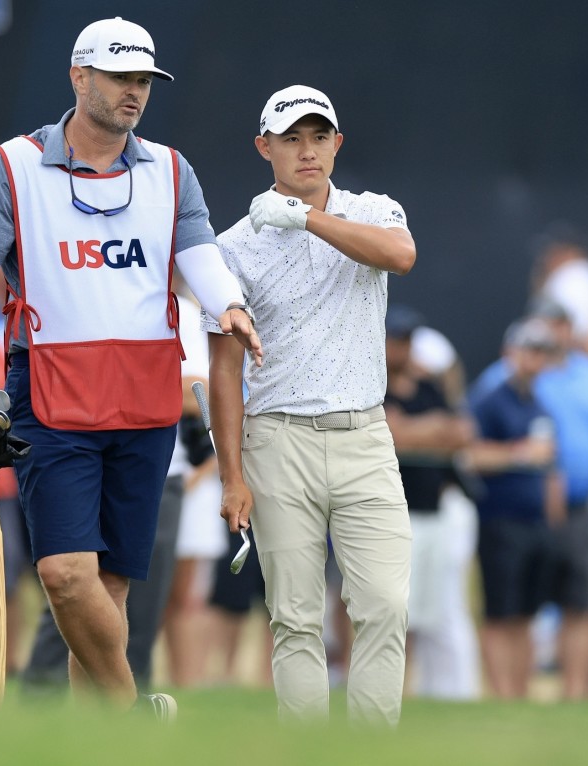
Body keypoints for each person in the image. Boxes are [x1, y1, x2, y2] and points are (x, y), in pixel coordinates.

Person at [0, 17, 261, 717]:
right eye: (119, 76)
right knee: (62, 573)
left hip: (146, 396)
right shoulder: (15, 165)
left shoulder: (172, 169)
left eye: (143, 79)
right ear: (79, 76)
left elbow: (200, 256)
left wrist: (228, 304)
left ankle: (104, 742)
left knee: (110, 584)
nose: (134, 92)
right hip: (49, 392)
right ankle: (135, 712)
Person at [207, 84, 415, 724]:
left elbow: (400, 256)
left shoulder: (372, 209)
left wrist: (304, 219)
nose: (307, 151)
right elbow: (224, 368)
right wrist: (231, 476)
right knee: (294, 618)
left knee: (384, 605)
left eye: (318, 137)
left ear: (337, 144)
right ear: (263, 147)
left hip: (364, 435)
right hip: (278, 439)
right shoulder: (234, 245)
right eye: (291, 139)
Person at [382, 305, 479, 700]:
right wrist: (429, 430)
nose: (401, 348)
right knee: (393, 609)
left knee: (431, 610)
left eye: (406, 340)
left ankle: (422, 691)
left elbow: (461, 432)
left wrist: (414, 429)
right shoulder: (372, 384)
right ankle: (392, 692)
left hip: (433, 512)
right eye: (395, 339)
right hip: (391, 513)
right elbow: (390, 432)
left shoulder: (430, 389)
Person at [465, 318, 560, 699]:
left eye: (542, 352)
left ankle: (520, 694)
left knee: (526, 614)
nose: (535, 360)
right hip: (499, 520)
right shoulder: (491, 399)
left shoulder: (537, 402)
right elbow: (471, 456)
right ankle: (501, 693)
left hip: (533, 521)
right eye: (529, 350)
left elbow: (551, 464)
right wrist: (520, 453)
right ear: (512, 352)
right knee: (500, 613)